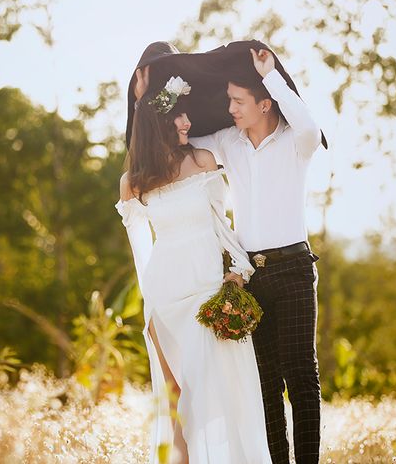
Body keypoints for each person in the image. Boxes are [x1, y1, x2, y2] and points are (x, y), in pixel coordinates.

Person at [134, 45, 324, 464]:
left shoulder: (297, 142)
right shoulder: (226, 142)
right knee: (265, 384)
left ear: (264, 104)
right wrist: (145, 100)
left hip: (293, 269)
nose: (231, 109)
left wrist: (271, 75)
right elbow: (168, 138)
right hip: (250, 276)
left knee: (301, 376)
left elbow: (310, 125)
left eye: (238, 101)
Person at [116, 75, 272, 463]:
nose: (187, 122)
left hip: (206, 291)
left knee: (217, 395)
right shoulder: (133, 182)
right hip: (165, 296)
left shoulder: (202, 160)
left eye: (186, 115)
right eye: (178, 116)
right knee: (177, 402)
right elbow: (140, 248)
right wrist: (149, 305)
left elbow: (223, 223)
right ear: (157, 122)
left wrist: (239, 269)